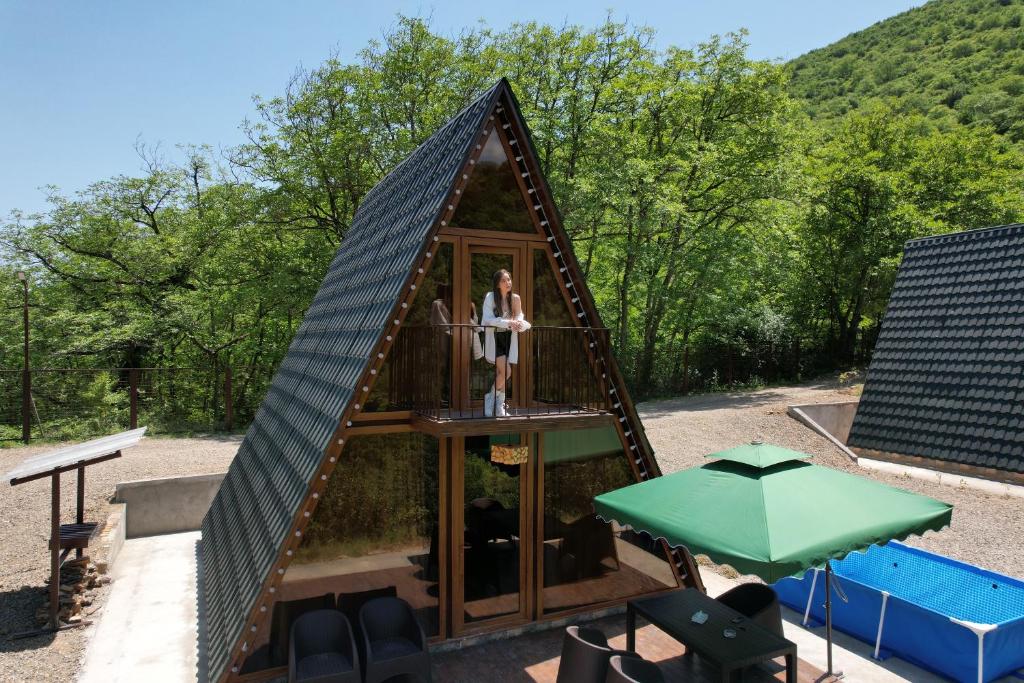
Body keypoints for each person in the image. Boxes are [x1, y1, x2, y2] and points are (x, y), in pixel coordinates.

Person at [481, 268, 531, 417]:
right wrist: (509, 322)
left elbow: (520, 316)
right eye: (504, 280)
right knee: (506, 372)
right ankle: (490, 399)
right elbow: (488, 319)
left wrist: (518, 322)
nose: (508, 282)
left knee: (500, 373)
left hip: (508, 338)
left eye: (509, 279)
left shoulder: (515, 298)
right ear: (497, 284)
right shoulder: (490, 297)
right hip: (495, 338)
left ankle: (498, 406)